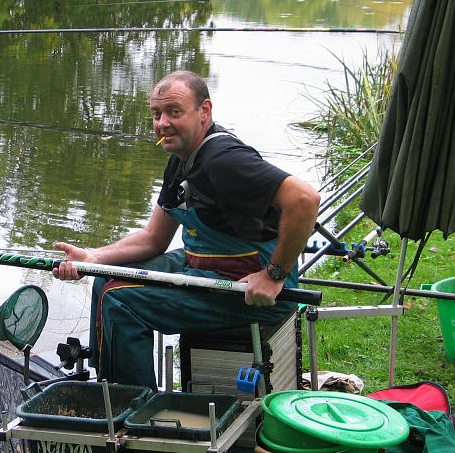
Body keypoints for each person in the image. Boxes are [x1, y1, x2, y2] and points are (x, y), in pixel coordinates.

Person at [53, 70, 320, 389]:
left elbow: (305, 200)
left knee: (119, 299)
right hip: (202, 261)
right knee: (106, 279)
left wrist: (274, 275)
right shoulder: (180, 160)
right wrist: (93, 258)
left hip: (249, 283)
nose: (162, 122)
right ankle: (109, 385)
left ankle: (132, 410)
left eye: (174, 112)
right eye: (156, 114)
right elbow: (154, 239)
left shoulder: (225, 159)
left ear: (204, 111)